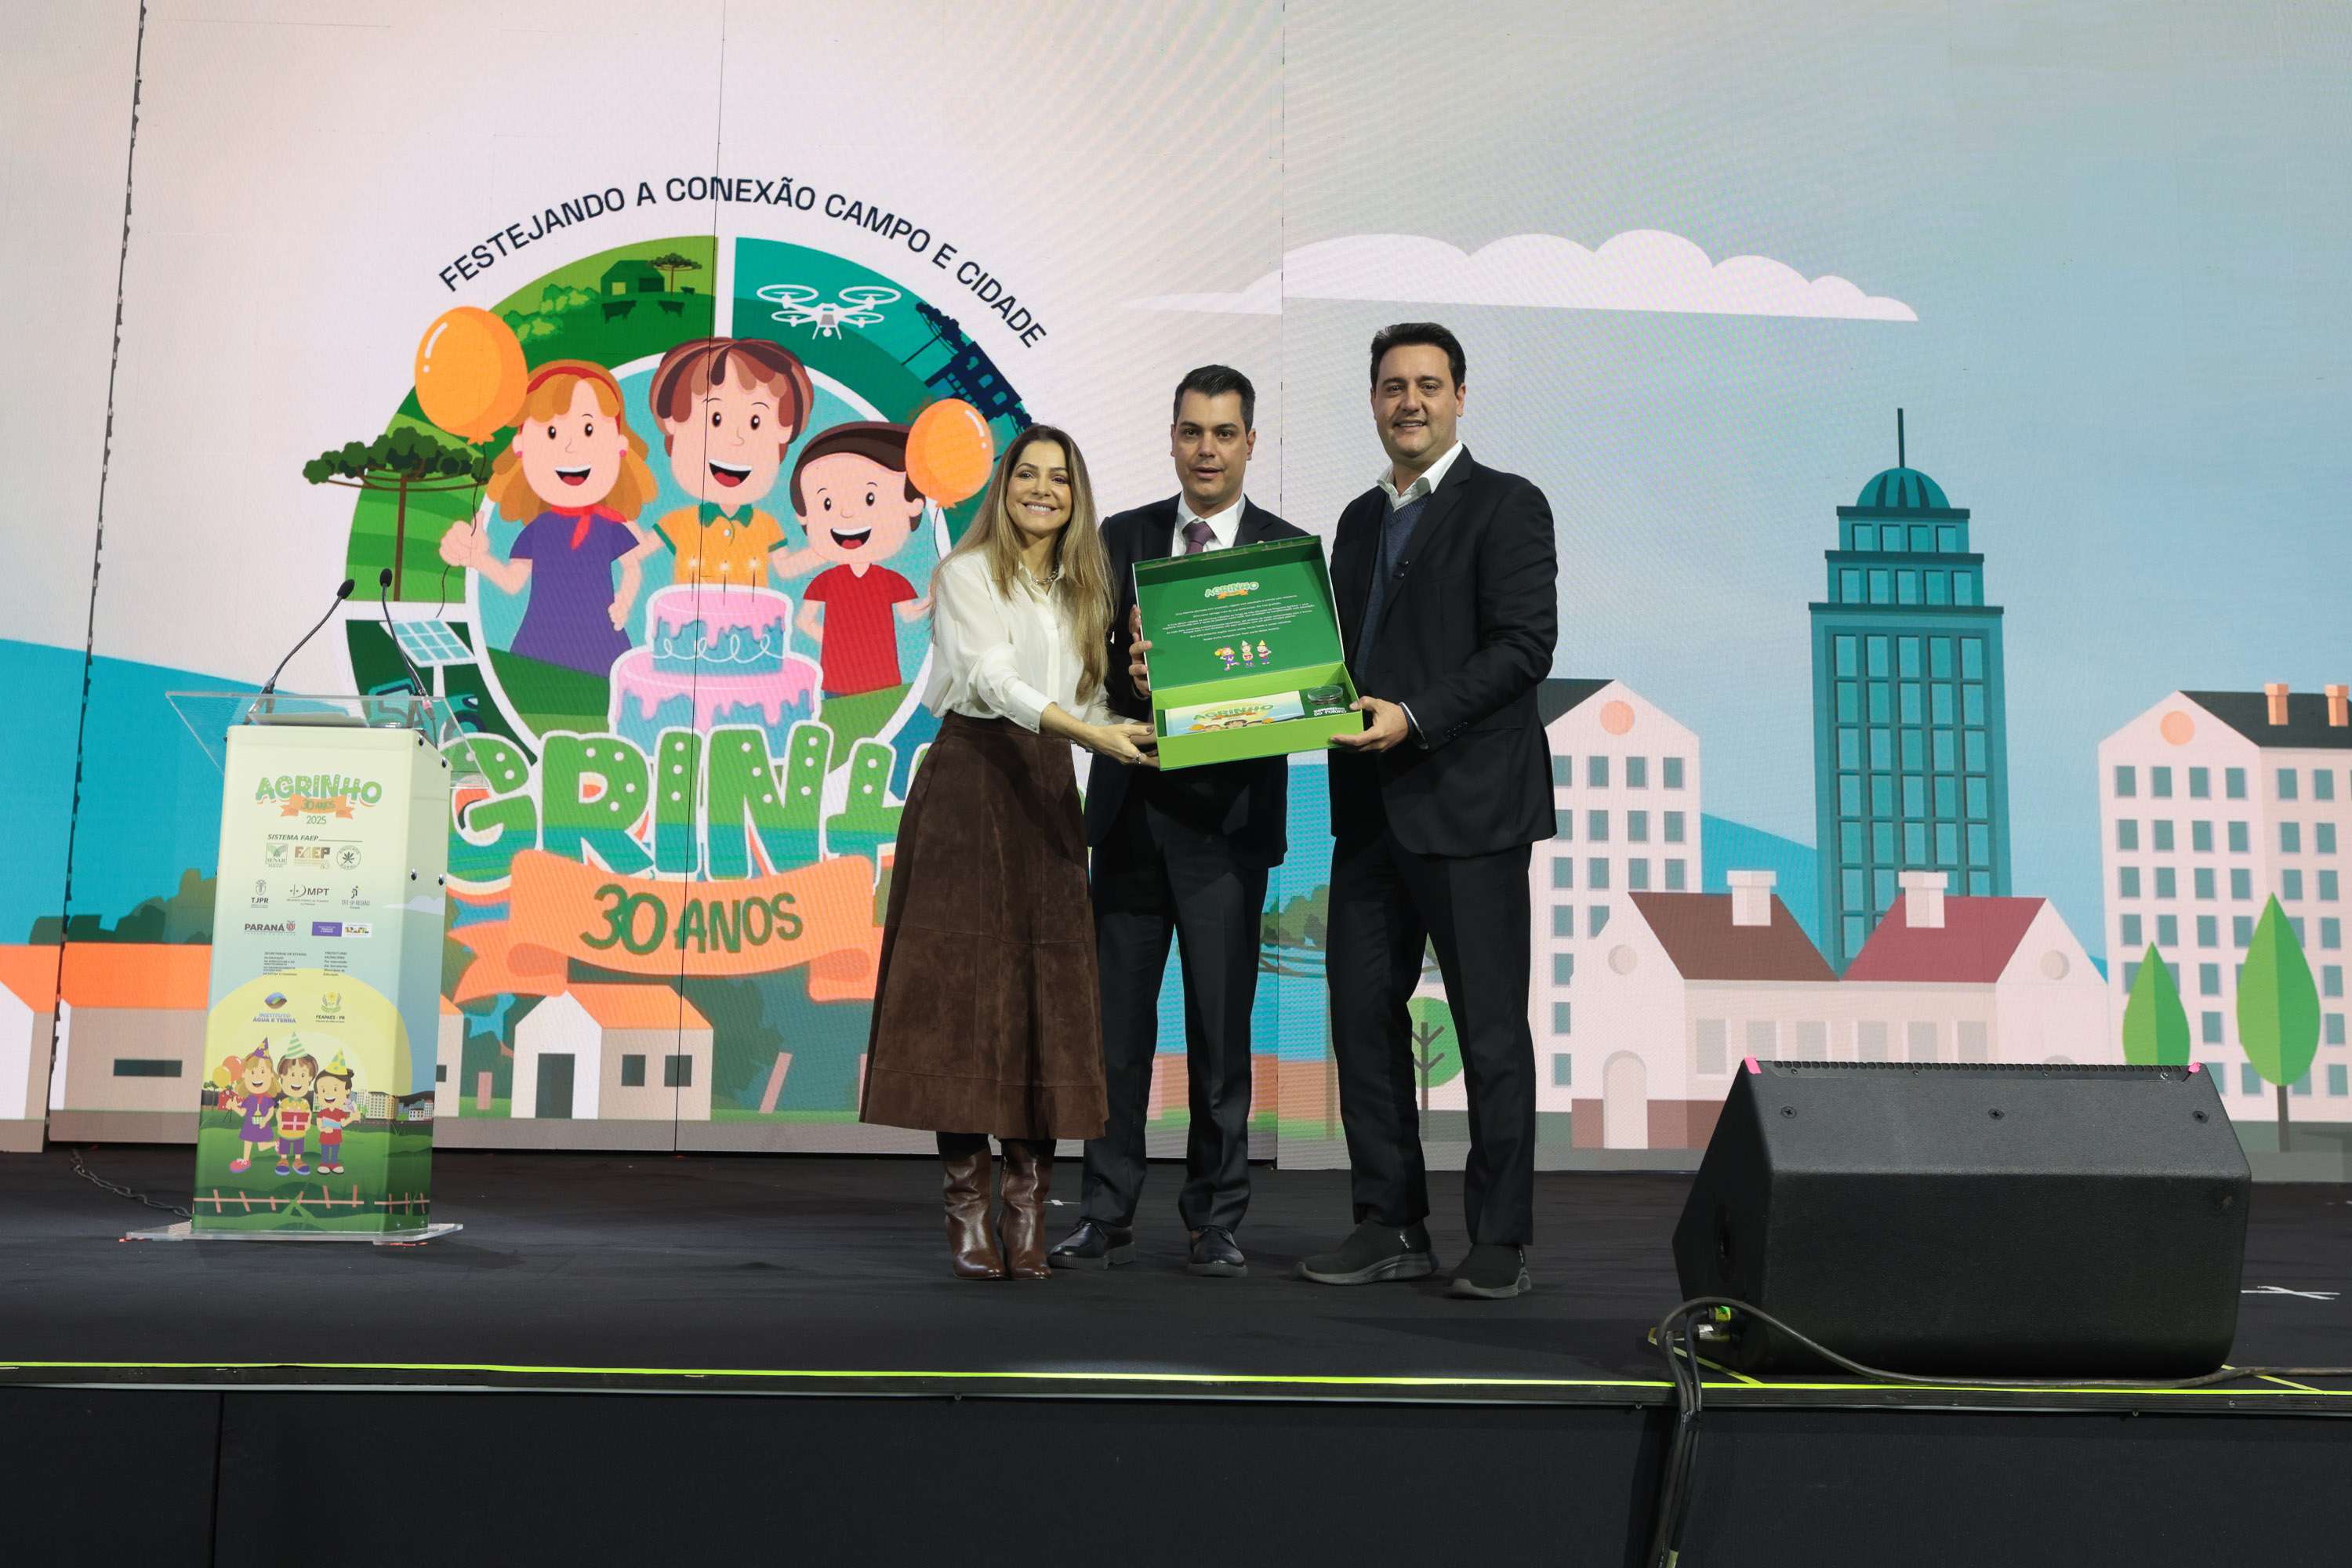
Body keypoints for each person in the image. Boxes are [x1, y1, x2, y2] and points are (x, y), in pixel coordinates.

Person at [1301, 322, 1558, 1301]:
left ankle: (1501, 1237)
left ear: (1459, 397)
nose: (1409, 401)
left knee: (1489, 1029)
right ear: (1373, 400)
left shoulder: (1508, 503)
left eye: (1428, 384)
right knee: (1361, 1015)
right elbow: (1328, 658)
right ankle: (1390, 1221)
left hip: (1470, 807)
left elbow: (1524, 646)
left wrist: (1412, 716)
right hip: (1370, 810)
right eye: (1392, 385)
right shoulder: (1359, 519)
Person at [859, 426, 1152, 1280]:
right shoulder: (965, 574)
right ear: (1003, 484)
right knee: (959, 998)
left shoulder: (1086, 593)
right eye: (1027, 473)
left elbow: (1088, 703)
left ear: (1077, 496)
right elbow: (992, 680)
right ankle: (966, 1208)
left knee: (1043, 996)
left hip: (1049, 788)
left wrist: (1145, 712)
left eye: (1060, 478)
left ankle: (1027, 1209)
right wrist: (1089, 731)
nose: (1042, 490)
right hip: (970, 780)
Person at [1048, 366, 1303, 1279]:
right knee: (1114, 1035)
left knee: (1219, 1036)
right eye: (1192, 431)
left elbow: (1304, 693)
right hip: (1130, 817)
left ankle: (1216, 1218)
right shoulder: (1120, 537)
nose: (1206, 449)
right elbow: (1078, 666)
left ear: (1250, 444)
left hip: (1227, 829)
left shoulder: (1286, 553)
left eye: (1224, 433)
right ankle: (1103, 1211)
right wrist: (1129, 673)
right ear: (1171, 438)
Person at [438, 361, 661, 677]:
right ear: (521, 448)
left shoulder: (610, 524)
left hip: (600, 641)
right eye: (552, 432)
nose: (570, 446)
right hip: (541, 641)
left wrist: (624, 602)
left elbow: (633, 567)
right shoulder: (537, 530)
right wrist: (477, 559)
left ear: (619, 446)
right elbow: (512, 582)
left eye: (588, 430)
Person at [644, 336, 817, 589]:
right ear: (673, 422)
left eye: (755, 422)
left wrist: (824, 550)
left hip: (752, 614)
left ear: (784, 431)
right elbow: (635, 552)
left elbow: (786, 568)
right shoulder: (679, 522)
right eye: (716, 419)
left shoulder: (766, 526)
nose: (736, 439)